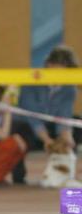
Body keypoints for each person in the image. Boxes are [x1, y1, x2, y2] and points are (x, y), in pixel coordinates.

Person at [12, 46, 79, 184]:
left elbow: (65, 115)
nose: (63, 78)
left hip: (52, 123)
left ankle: (68, 173)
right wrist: (47, 140)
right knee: (18, 130)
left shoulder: (69, 88)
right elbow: (31, 115)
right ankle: (18, 176)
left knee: (76, 128)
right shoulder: (31, 81)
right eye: (61, 72)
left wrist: (67, 136)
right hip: (28, 123)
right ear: (49, 65)